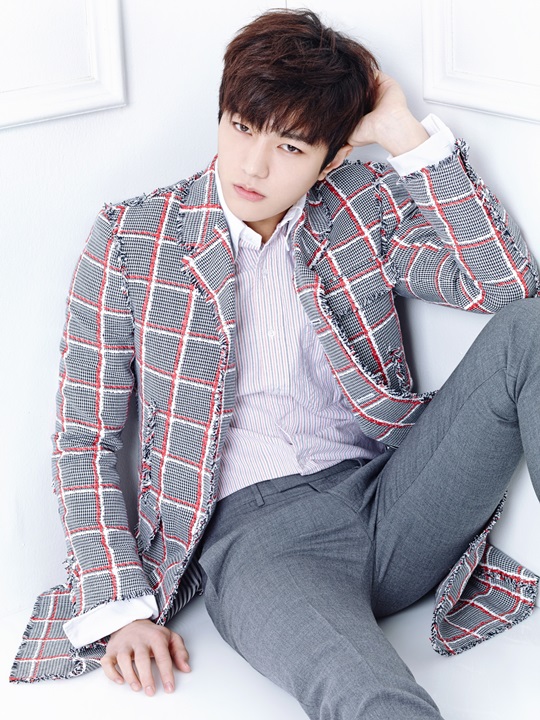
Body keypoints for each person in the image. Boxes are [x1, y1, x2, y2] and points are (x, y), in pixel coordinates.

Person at [10, 8, 540, 719]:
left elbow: (507, 288)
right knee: (376, 701)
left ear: (332, 157)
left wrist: (403, 133)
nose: (253, 166)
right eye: (241, 127)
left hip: (394, 496)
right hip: (258, 543)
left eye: (290, 146)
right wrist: (121, 609)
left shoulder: (358, 208)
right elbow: (84, 438)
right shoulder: (133, 239)